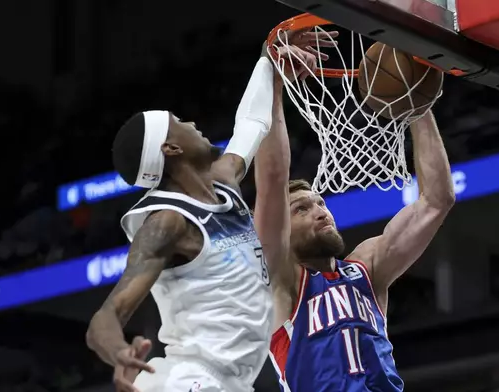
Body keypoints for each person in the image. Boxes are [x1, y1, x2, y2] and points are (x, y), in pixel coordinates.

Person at [85, 39, 323, 392]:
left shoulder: (223, 181)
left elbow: (251, 125)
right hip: (192, 381)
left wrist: (268, 63)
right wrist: (118, 351)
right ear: (172, 148)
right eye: (179, 121)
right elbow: (105, 318)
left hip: (232, 382)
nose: (192, 122)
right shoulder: (167, 221)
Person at [257, 48, 455, 391]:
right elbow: (273, 175)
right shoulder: (282, 282)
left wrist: (416, 104)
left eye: (319, 203)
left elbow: (437, 201)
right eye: (301, 209)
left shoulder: (365, 268)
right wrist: (272, 78)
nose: (320, 211)